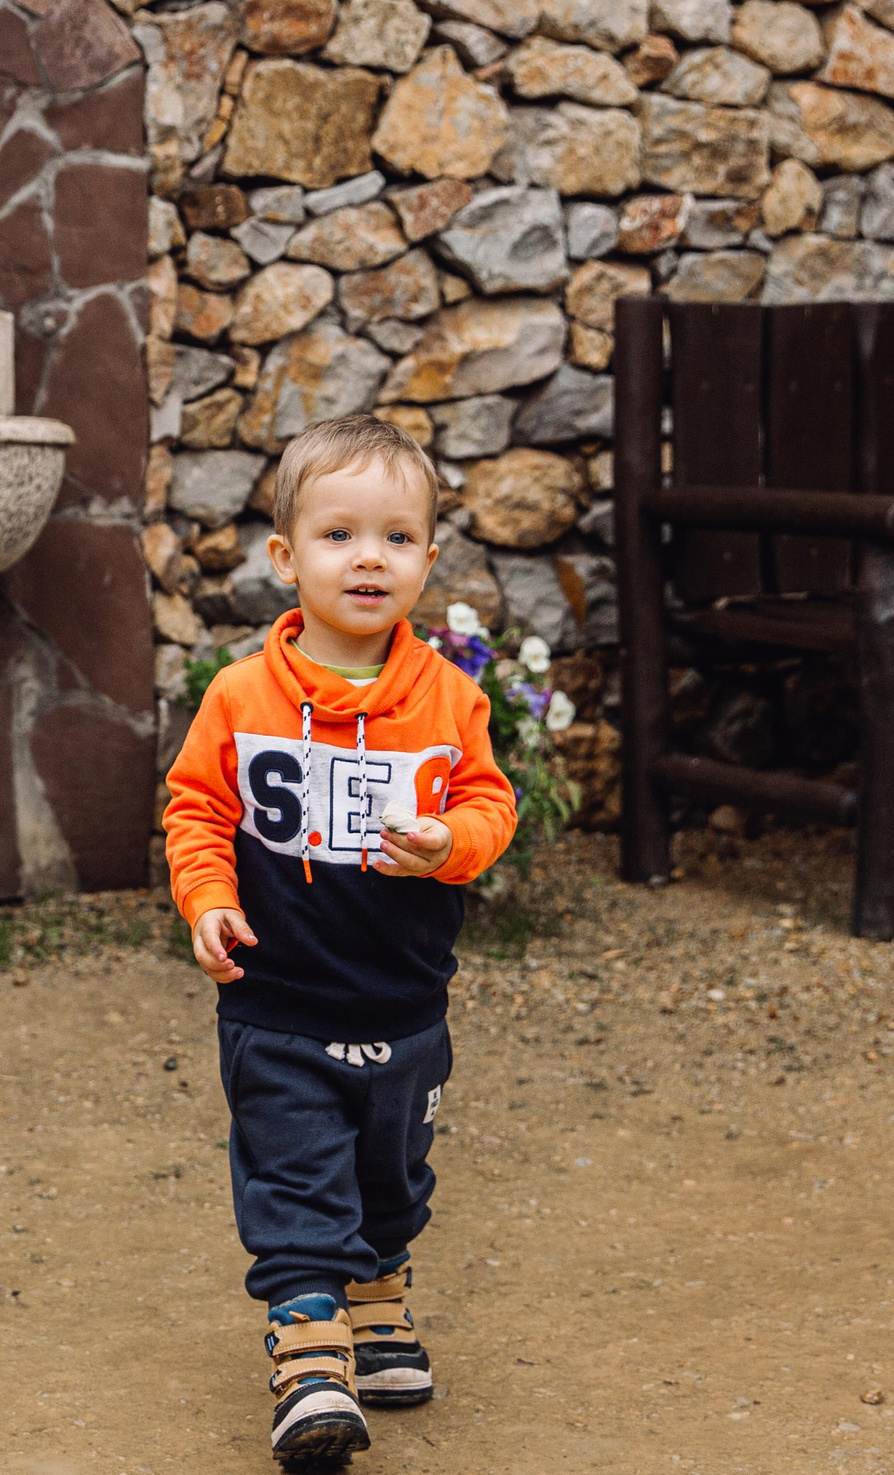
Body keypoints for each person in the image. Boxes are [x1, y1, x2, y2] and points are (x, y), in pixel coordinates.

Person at [162, 413, 520, 1467]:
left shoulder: (449, 702)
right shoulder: (239, 696)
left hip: (403, 1000)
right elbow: (194, 810)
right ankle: (310, 1356)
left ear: (427, 559)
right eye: (339, 535)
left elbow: (492, 812)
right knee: (294, 1177)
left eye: (397, 537)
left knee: (391, 1175)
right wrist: (206, 900)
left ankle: (376, 1296)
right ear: (286, 557)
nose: (369, 557)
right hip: (278, 1001)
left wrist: (450, 841)